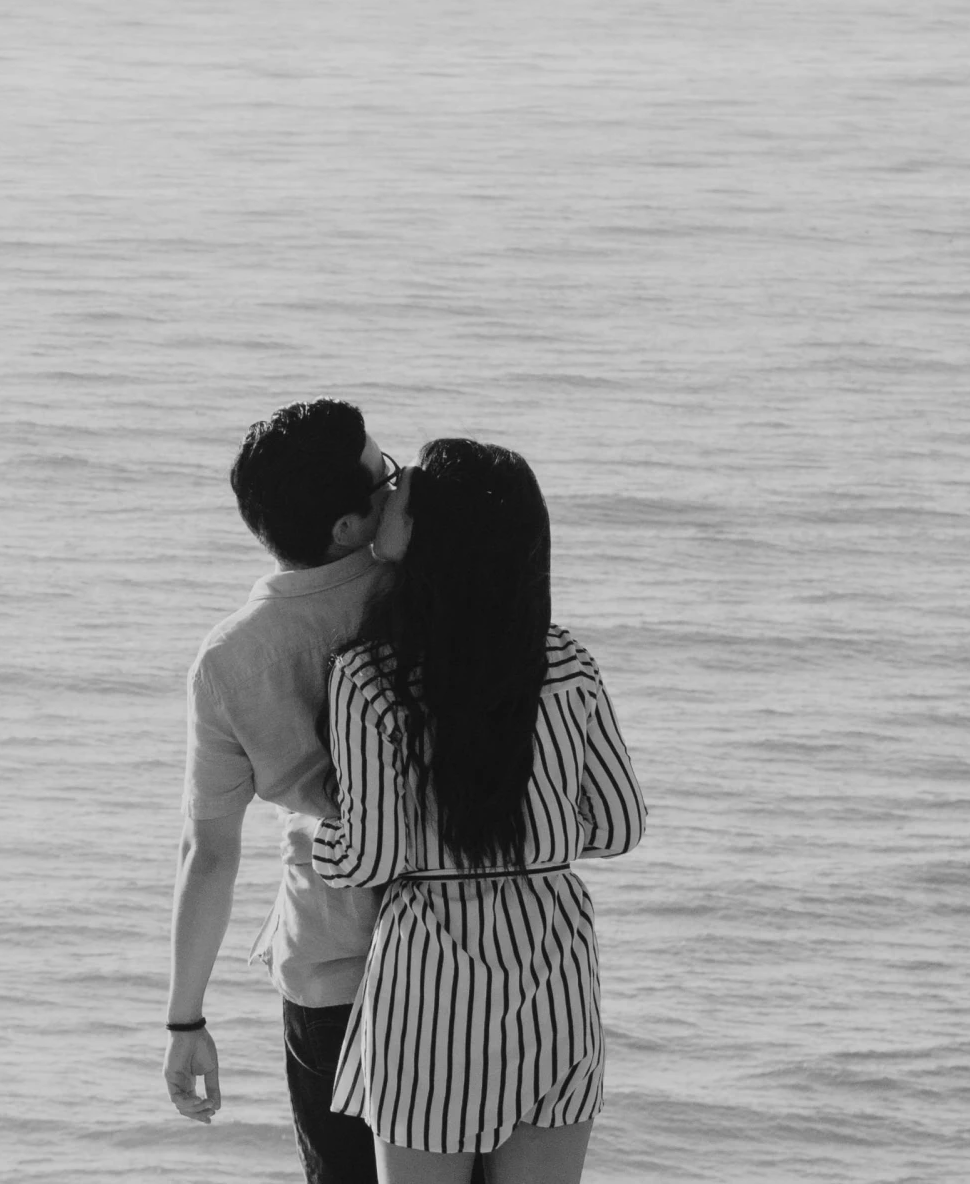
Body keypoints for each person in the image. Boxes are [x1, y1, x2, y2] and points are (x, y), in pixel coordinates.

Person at [312, 440, 646, 1184]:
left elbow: (368, 856)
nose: (392, 496)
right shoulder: (567, 663)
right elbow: (622, 822)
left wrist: (321, 842)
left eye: (406, 494)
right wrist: (531, 836)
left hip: (431, 972)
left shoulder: (370, 677)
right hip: (554, 962)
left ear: (431, 538)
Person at [162, 398, 399, 1183]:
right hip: (459, 950)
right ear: (345, 525)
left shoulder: (231, 658)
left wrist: (186, 1016)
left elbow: (209, 852)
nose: (396, 485)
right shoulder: (424, 595)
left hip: (329, 952)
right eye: (384, 474)